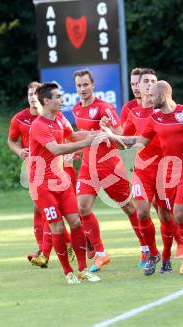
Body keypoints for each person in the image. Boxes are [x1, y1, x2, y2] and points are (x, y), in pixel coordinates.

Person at [102, 81, 183, 275]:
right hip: (169, 171)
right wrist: (111, 135)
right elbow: (139, 142)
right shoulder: (154, 118)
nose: (149, 98)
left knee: (179, 214)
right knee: (179, 217)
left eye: (152, 95)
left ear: (163, 94)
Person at [29, 82, 115, 284]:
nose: (62, 99)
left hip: (62, 182)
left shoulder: (59, 119)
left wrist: (98, 133)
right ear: (46, 100)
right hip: (43, 186)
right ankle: (68, 273)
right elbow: (56, 149)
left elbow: (73, 135)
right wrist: (87, 143)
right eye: (58, 96)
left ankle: (83, 270)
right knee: (57, 227)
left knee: (76, 223)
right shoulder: (38, 125)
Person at [72, 69, 143, 272]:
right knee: (82, 208)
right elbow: (80, 139)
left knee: (129, 208)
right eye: (79, 85)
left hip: (109, 166)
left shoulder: (105, 108)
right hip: (88, 166)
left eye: (86, 84)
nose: (83, 89)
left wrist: (104, 131)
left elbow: (120, 138)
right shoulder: (76, 110)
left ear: (93, 84)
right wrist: (76, 151)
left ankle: (146, 248)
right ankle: (101, 254)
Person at [119, 68, 182, 275]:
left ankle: (165, 257)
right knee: (142, 211)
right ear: (139, 85)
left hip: (164, 170)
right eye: (146, 81)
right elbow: (124, 141)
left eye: (154, 81)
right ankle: (152, 253)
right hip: (142, 170)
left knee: (165, 214)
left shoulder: (164, 112)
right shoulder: (134, 113)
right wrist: (109, 133)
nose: (149, 84)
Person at [7, 81, 74, 265]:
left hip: (59, 167)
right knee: (43, 211)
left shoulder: (57, 117)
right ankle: (52, 248)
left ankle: (53, 250)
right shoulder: (20, 119)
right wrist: (18, 150)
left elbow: (71, 136)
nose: (32, 97)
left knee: (57, 212)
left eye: (34, 94)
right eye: (29, 94)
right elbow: (12, 141)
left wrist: (73, 151)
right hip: (36, 170)